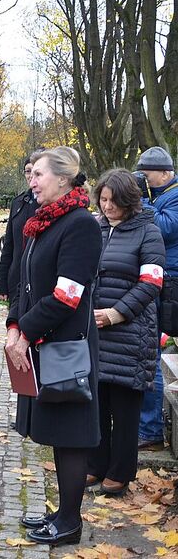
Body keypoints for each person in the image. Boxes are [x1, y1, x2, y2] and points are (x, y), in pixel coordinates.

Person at [6, 146, 100, 546]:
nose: (32, 180)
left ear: (64, 179)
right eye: (31, 174)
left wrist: (26, 331)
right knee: (58, 436)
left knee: (71, 434)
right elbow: (22, 280)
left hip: (66, 347)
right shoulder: (41, 223)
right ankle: (61, 513)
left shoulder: (81, 225)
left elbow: (67, 295)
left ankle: (71, 522)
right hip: (40, 342)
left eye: (39, 174)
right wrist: (14, 325)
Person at [88, 169, 165, 495]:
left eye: (113, 201)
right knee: (98, 404)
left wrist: (116, 314)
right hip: (96, 331)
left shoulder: (148, 231)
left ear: (128, 200)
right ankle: (96, 464)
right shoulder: (97, 228)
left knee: (124, 406)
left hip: (131, 331)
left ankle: (120, 471)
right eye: (103, 199)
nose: (107, 207)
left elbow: (151, 282)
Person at [134, 146, 178, 450]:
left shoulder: (175, 196)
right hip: (159, 276)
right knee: (148, 348)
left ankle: (150, 429)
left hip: (170, 280)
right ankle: (145, 425)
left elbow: (164, 228)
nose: (143, 179)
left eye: (145, 174)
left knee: (152, 348)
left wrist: (140, 201)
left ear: (164, 172)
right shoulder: (159, 196)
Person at [0, 152, 40, 303]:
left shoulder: (51, 204)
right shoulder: (18, 203)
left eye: (37, 172)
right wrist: (1, 282)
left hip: (38, 281)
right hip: (16, 280)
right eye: (28, 171)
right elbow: (9, 245)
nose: (31, 176)